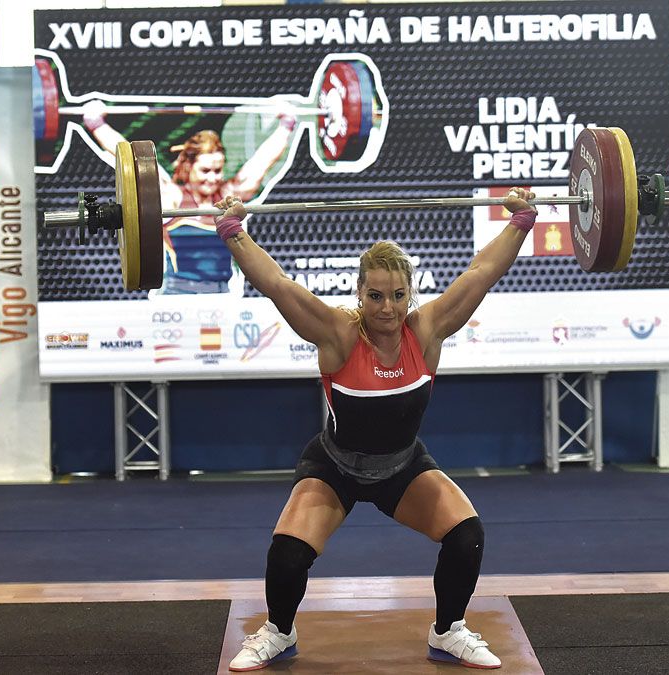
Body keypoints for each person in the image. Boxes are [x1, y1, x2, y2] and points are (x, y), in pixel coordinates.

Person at [214, 188, 539, 671]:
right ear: (359, 294)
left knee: (466, 534)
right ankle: (279, 632)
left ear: (411, 294)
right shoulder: (339, 335)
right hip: (336, 468)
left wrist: (520, 223)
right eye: (375, 296)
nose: (386, 308)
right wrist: (232, 233)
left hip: (401, 467)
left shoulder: (425, 332)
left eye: (397, 295)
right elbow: (279, 285)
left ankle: (448, 630)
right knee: (286, 555)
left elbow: (479, 275)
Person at [81, 100, 297, 294]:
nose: (212, 178)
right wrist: (96, 125)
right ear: (188, 167)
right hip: (178, 294)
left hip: (221, 294)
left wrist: (286, 125)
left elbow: (261, 163)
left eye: (217, 170)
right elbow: (132, 161)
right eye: (205, 171)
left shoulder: (227, 196)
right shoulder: (173, 197)